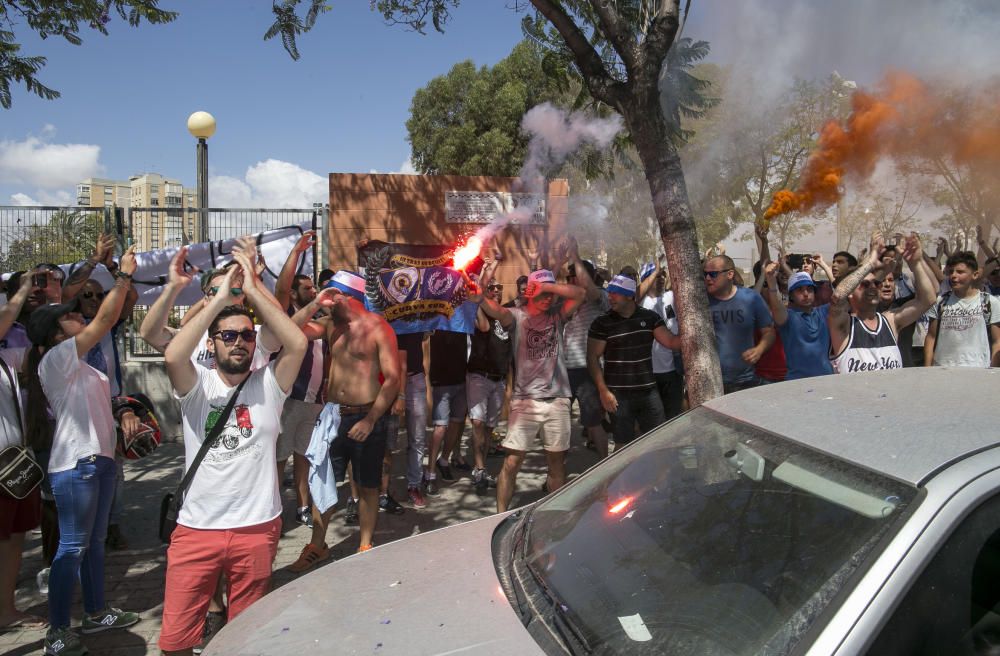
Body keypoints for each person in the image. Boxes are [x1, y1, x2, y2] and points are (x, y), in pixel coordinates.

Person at [158, 252, 307, 656]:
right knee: (175, 641)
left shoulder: (269, 385)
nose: (238, 342)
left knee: (245, 637)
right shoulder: (196, 385)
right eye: (228, 336)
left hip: (256, 528)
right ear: (212, 343)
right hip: (196, 530)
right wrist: (219, 299)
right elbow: (173, 355)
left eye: (246, 336)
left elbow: (297, 341)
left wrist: (255, 289)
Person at [26, 247, 141, 656]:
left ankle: (95, 613)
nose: (82, 315)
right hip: (77, 465)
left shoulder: (84, 365)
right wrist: (123, 277)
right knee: (72, 546)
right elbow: (108, 317)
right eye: (73, 314)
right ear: (56, 332)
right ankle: (57, 629)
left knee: (92, 545)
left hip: (100, 461)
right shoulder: (56, 358)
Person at [297, 270, 401, 554]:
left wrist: (371, 419)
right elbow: (292, 331)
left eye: (332, 295)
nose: (328, 301)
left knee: (367, 484)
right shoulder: (330, 325)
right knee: (324, 481)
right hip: (334, 417)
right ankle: (317, 547)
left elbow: (393, 379)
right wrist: (316, 303)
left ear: (348, 296)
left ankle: (365, 545)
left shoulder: (379, 328)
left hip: (367, 416)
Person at [474, 270, 584, 513]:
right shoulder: (516, 316)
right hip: (525, 403)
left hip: (558, 400)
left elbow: (580, 293)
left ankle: (555, 517)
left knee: (556, 464)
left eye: (551, 293)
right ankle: (499, 517)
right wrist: (479, 295)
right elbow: (495, 310)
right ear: (530, 292)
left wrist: (550, 288)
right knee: (511, 462)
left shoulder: (558, 315)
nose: (548, 298)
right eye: (542, 293)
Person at [75, 277, 138, 551]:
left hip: (111, 405)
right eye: (87, 295)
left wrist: (119, 274)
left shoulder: (110, 328)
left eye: (99, 296)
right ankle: (82, 530)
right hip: (78, 410)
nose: (94, 300)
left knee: (115, 472)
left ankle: (112, 525)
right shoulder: (71, 332)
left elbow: (132, 299)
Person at [0, 274, 45, 633]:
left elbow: (42, 346)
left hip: (14, 464)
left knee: (15, 537)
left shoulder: (6, 357)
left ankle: (6, 609)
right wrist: (19, 294)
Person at [587, 275, 680, 446]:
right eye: (609, 293)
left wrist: (696, 330)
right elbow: (592, 358)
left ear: (629, 296)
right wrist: (603, 391)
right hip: (618, 396)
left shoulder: (650, 318)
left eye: (615, 293)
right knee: (623, 446)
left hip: (648, 393)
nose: (610, 297)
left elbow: (671, 342)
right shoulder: (602, 323)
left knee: (659, 442)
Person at [273, 231, 326, 531]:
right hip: (289, 400)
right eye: (307, 287)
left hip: (313, 401)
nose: (313, 290)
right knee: (280, 458)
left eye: (313, 286)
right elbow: (281, 288)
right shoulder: (285, 316)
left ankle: (303, 506)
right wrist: (295, 253)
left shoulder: (318, 318)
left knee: (303, 455)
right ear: (294, 294)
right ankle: (274, 510)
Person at [829, 233, 937, 374]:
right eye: (865, 284)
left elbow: (928, 299)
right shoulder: (844, 326)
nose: (873, 287)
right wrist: (871, 263)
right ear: (850, 292)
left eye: (876, 283)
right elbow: (838, 295)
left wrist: (916, 263)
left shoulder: (890, 321)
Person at [561, 246, 610, 457]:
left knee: (593, 421)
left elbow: (589, 289)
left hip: (588, 370)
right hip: (564, 371)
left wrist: (574, 255)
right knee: (558, 424)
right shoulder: (565, 301)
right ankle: (555, 476)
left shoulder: (600, 297)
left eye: (576, 275)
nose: (571, 280)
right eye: (570, 276)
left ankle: (605, 473)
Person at [465, 261, 510, 494]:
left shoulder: (507, 314)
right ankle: (480, 468)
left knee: (491, 425)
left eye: (498, 288)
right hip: (479, 376)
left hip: (499, 378)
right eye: (491, 288)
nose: (495, 291)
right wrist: (480, 287)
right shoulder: (479, 312)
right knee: (479, 423)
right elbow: (483, 327)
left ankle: (482, 464)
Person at [704, 255, 775, 393]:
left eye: (713, 274)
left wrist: (759, 349)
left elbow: (769, 332)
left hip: (746, 381)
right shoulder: (700, 302)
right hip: (711, 382)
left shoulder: (751, 298)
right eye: (705, 274)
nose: (707, 278)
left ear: (730, 274)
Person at [923, 251, 1000, 368]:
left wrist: (993, 371)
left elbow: (997, 342)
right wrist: (927, 369)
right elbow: (931, 337)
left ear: (974, 275)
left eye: (960, 272)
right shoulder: (940, 302)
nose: (954, 276)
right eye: (951, 272)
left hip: (978, 370)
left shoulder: (989, 302)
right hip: (942, 370)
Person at [762, 267, 833, 380]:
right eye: (799, 290)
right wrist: (771, 281)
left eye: (809, 289)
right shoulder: (788, 316)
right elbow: (776, 305)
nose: (805, 294)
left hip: (826, 380)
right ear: (791, 295)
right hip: (797, 383)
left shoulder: (824, 311)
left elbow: (841, 295)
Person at [423, 329, 469, 493]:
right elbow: (424, 333)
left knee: (456, 423)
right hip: (442, 381)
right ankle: (430, 472)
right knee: (440, 427)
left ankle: (444, 460)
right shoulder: (437, 314)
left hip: (462, 378)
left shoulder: (464, 315)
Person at [640, 266, 683, 421]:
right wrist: (654, 272)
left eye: (662, 276)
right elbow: (635, 294)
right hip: (649, 374)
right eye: (656, 277)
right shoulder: (640, 303)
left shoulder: (671, 297)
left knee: (673, 418)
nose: (660, 279)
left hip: (673, 371)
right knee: (653, 420)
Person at [397, 331, 429, 508]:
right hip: (390, 377)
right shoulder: (383, 307)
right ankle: (380, 491)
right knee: (387, 439)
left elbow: (426, 336)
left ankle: (414, 485)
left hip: (416, 378)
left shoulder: (418, 312)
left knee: (418, 437)